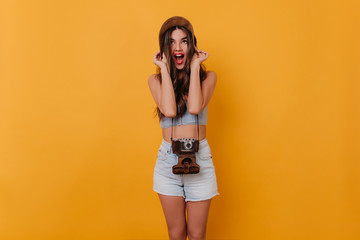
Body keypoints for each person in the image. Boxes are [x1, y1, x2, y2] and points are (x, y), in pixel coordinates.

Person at [148, 16, 219, 240]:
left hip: (199, 159)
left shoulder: (208, 77)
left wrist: (196, 65)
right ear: (164, 48)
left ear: (192, 45)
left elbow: (196, 107)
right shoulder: (155, 80)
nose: (178, 47)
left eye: (184, 41)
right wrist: (165, 70)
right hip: (168, 162)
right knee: (176, 233)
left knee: (197, 235)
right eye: (171, 42)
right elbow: (169, 110)